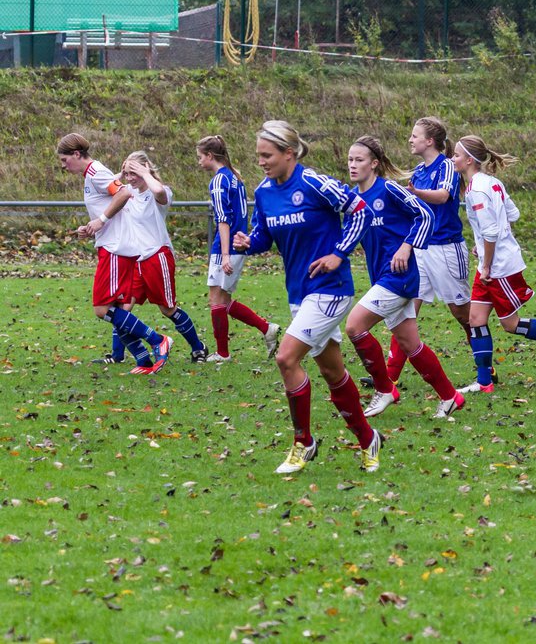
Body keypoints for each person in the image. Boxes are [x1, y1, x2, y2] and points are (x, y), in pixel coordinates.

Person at [232, 120, 382, 475]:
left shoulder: (314, 182)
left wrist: (339, 253)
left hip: (331, 289)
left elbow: (360, 209)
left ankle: (304, 441)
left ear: (289, 153)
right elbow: (263, 238)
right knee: (333, 372)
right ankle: (367, 438)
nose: (262, 162)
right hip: (299, 293)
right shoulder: (265, 192)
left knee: (286, 358)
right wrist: (247, 244)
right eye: (258, 156)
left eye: (267, 155)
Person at [451, 134, 536, 393]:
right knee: (476, 319)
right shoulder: (490, 183)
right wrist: (481, 244)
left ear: (469, 160)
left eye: (456, 155)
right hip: (491, 262)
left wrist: (488, 261)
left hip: (498, 268)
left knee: (510, 325)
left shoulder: (477, 189)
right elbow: (512, 214)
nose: (453, 159)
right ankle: (484, 382)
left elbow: (492, 231)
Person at [344, 135, 465, 420]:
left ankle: (385, 389)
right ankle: (451, 397)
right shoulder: (355, 199)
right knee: (411, 344)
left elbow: (425, 215)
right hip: (381, 276)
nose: (352, 165)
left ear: (374, 164)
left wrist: (406, 245)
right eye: (350, 159)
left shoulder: (389, 190)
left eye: (359, 160)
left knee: (354, 326)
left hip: (399, 277)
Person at [365, 117, 472, 390]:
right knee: (406, 309)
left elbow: (444, 196)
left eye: (415, 136)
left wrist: (415, 193)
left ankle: (485, 367)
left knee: (462, 314)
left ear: (430, 141)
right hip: (421, 250)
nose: (410, 140)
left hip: (447, 247)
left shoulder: (447, 165)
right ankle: (390, 377)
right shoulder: (418, 170)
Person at [57, 133, 170, 372]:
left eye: (65, 160)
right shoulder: (91, 175)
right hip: (112, 246)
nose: (63, 165)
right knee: (119, 310)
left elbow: (124, 193)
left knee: (102, 309)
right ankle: (142, 359)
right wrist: (92, 227)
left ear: (77, 154)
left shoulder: (96, 172)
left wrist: (101, 220)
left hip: (115, 249)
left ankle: (157, 340)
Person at [109, 151, 209, 364]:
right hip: (135, 260)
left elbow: (159, 191)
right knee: (123, 308)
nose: (130, 178)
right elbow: (107, 185)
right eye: (127, 173)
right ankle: (116, 356)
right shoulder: (127, 192)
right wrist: (125, 171)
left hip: (157, 257)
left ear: (145, 169)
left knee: (167, 309)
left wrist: (144, 172)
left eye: (133, 173)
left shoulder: (159, 193)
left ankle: (198, 349)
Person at [197, 135, 280, 362]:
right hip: (238, 244)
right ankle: (266, 329)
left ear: (210, 156)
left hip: (227, 246)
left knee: (217, 301)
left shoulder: (218, 181)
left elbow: (223, 219)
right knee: (221, 300)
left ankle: (224, 353)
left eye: (200, 157)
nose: (198, 162)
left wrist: (224, 254)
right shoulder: (235, 177)